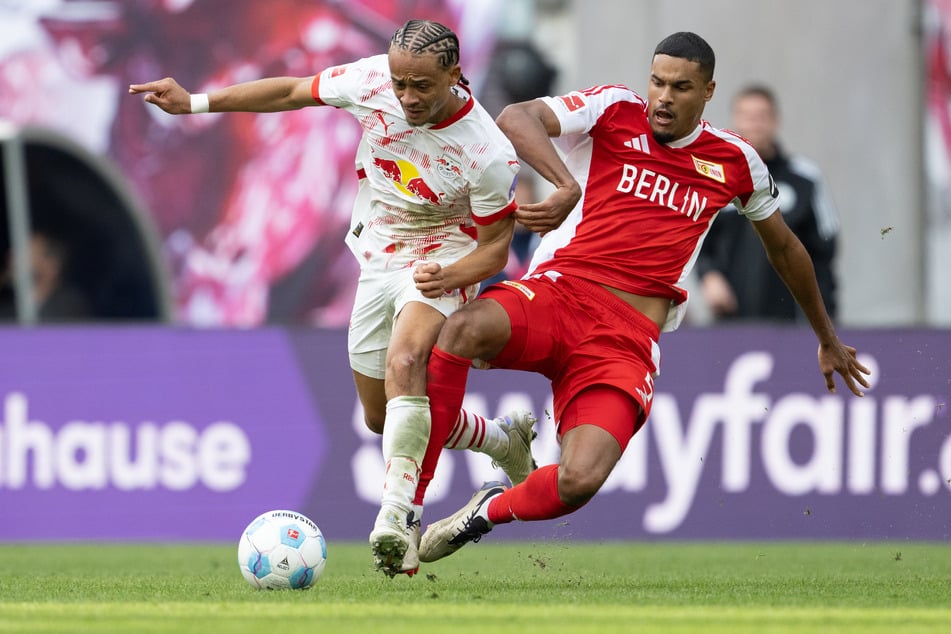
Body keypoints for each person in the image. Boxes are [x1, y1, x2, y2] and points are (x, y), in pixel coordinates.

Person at [412, 31, 871, 565]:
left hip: (625, 340)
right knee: (460, 333)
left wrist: (827, 338)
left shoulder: (735, 161)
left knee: (579, 481)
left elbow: (787, 250)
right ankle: (411, 506)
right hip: (561, 294)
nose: (663, 97)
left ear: (707, 91)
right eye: (656, 82)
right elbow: (517, 116)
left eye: (680, 87)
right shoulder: (615, 109)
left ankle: (485, 512)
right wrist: (564, 185)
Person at [129, 19, 538, 578]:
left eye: (423, 86)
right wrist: (196, 102)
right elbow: (292, 91)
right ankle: (501, 440)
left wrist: (452, 275)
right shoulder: (371, 80)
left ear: (456, 74)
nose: (408, 97)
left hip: (445, 256)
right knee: (380, 415)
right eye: (401, 84)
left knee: (407, 361)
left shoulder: (489, 152)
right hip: (378, 254)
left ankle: (396, 518)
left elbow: (495, 249)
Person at [696, 84, 840, 323]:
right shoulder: (715, 177)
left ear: (775, 121)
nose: (755, 124)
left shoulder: (805, 178)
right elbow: (699, 239)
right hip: (730, 320)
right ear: (736, 120)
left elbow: (825, 246)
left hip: (793, 320)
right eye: (748, 117)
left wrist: (821, 313)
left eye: (762, 117)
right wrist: (708, 276)